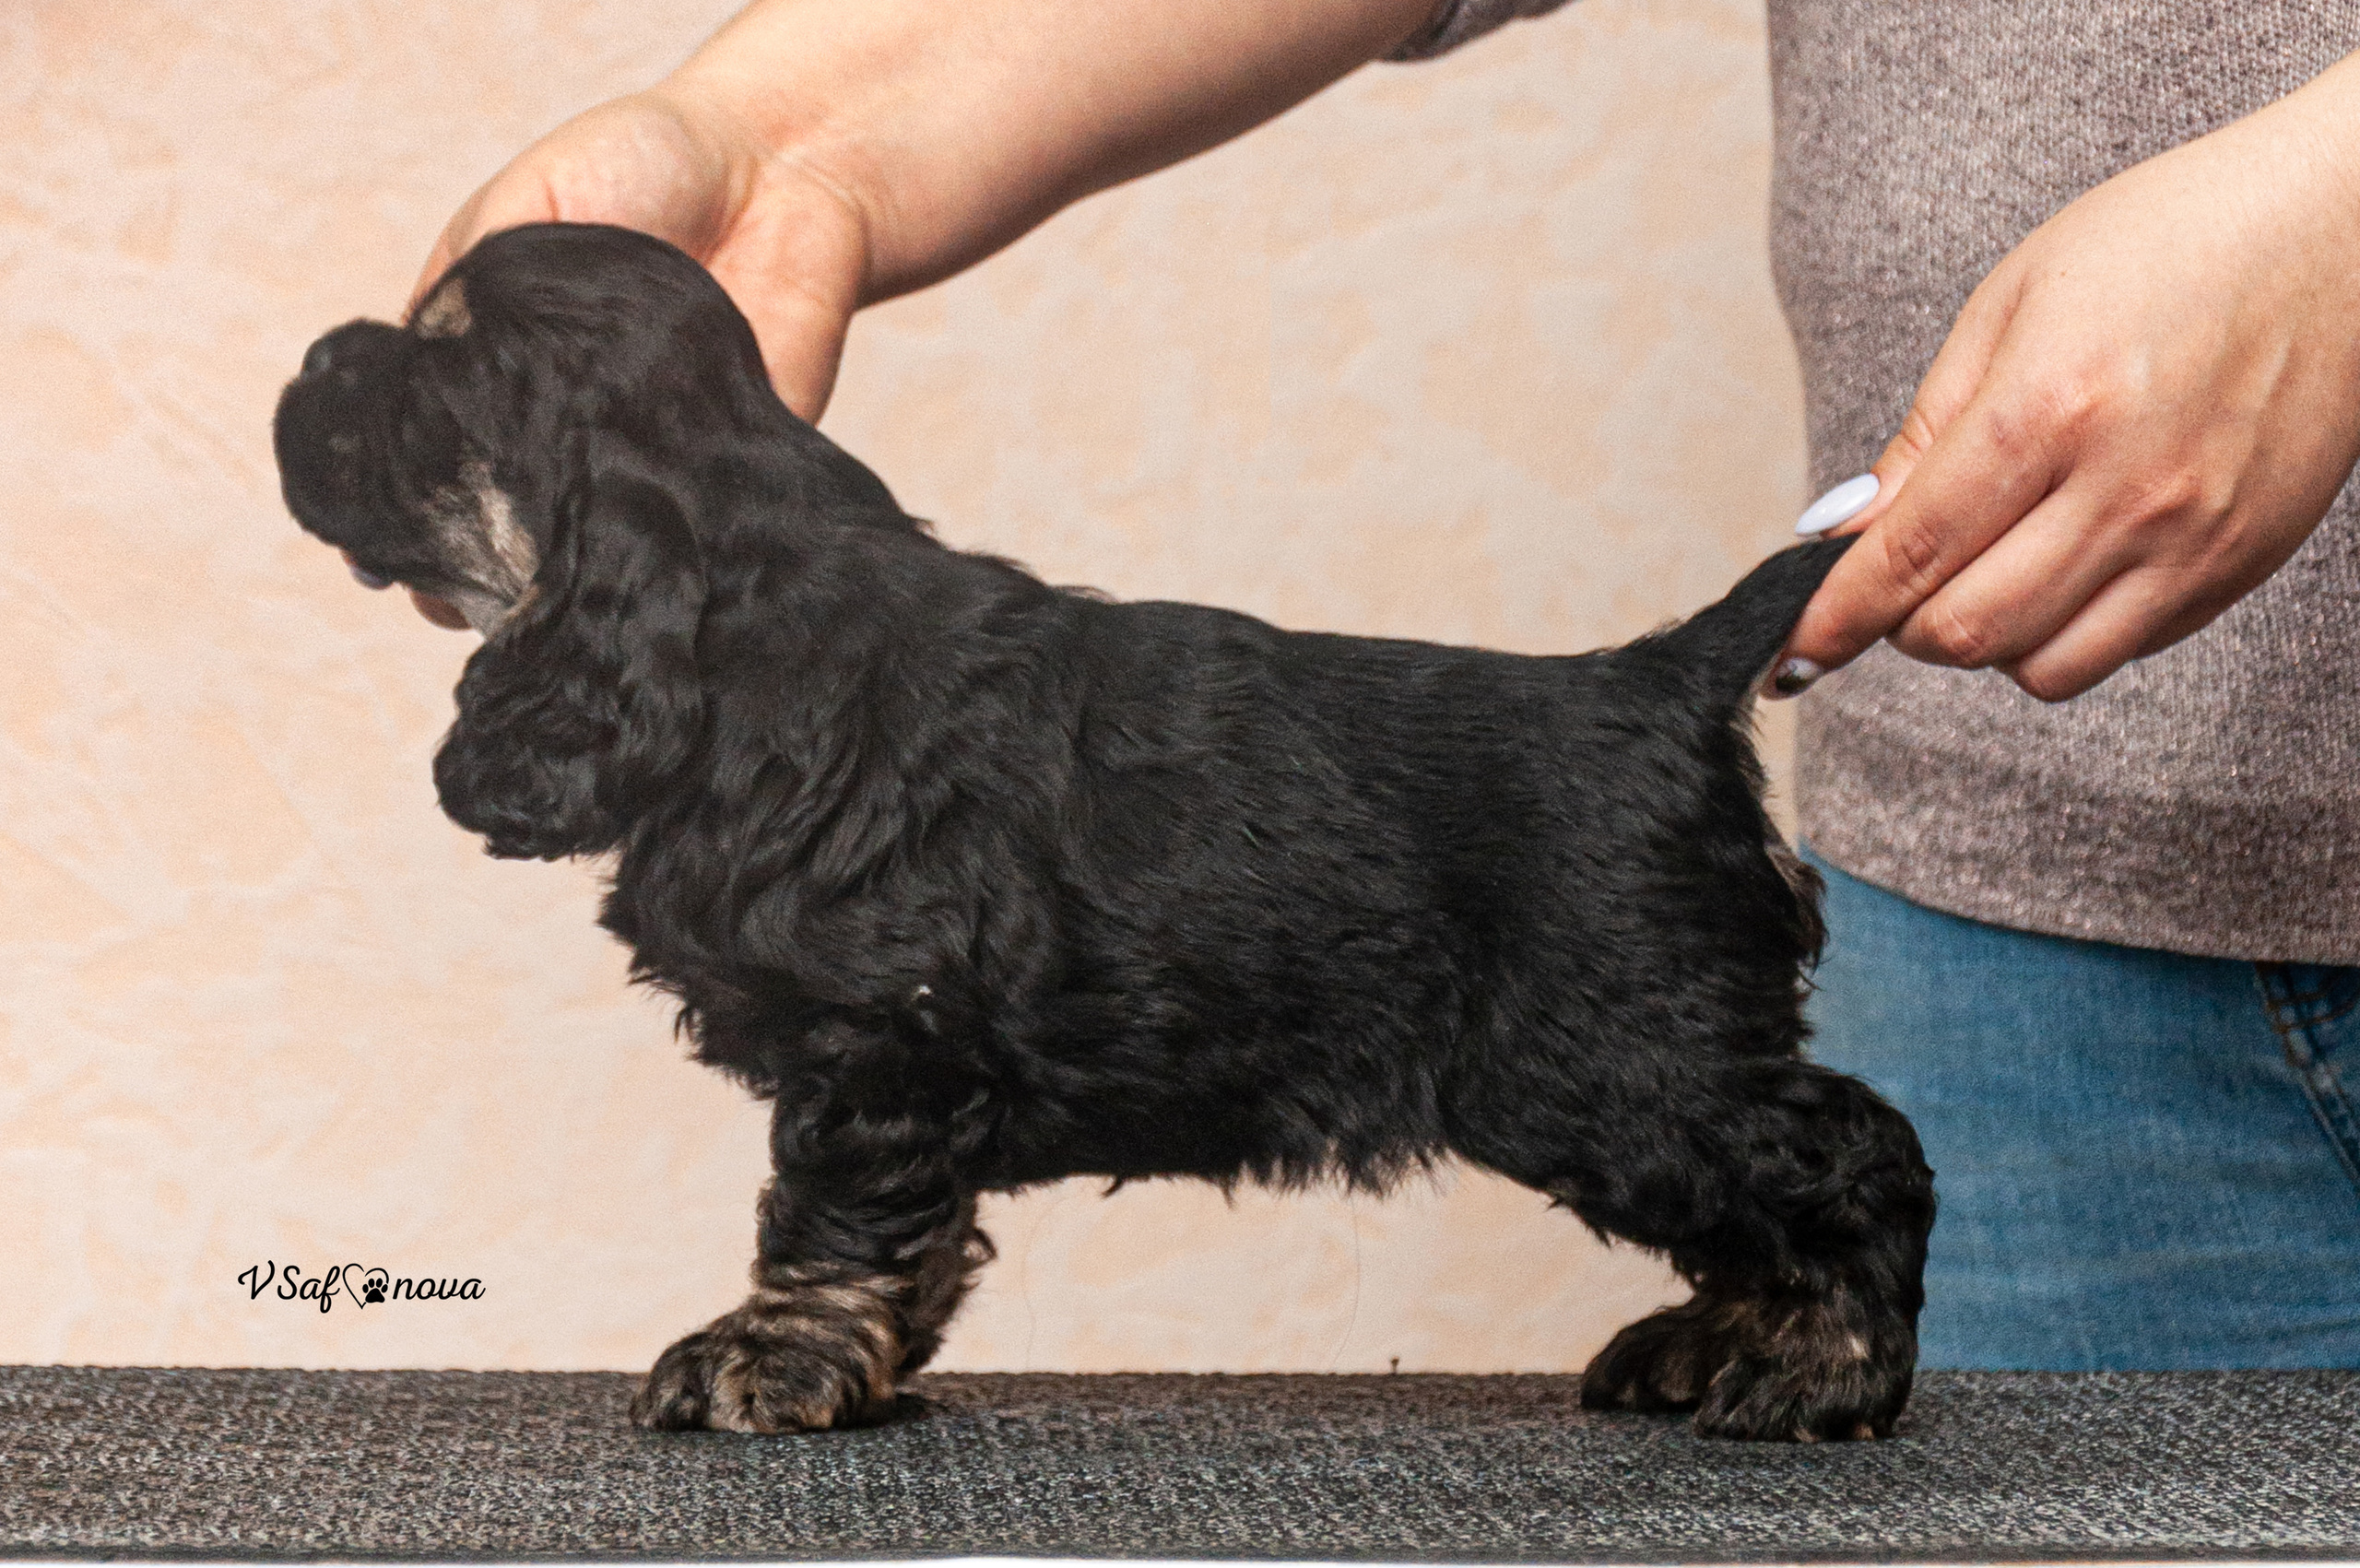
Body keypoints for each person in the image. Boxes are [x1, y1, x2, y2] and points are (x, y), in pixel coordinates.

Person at [402, 0, 2360, 1367]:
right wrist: (776, 136)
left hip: (1751, 804)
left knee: (1626, 1093)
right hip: (2033, 878)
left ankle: (1822, 1244)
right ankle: (1792, 1290)